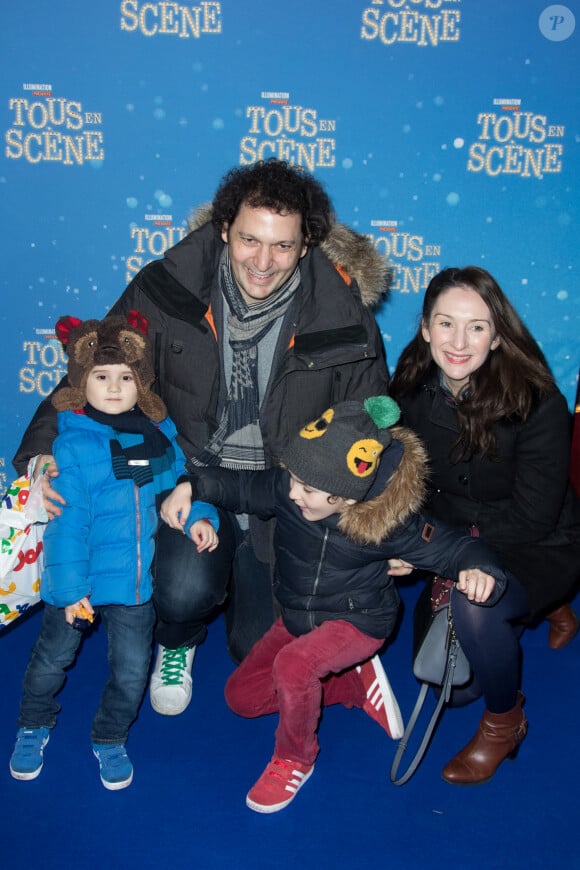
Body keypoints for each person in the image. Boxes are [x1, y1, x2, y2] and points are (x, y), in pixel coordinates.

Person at [12, 158, 392, 718]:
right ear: (222, 229)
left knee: (252, 649)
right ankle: (179, 641)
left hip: (279, 492)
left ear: (307, 243)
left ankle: (334, 643)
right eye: (248, 240)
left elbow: (372, 427)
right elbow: (97, 371)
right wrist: (41, 453)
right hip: (188, 480)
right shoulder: (168, 288)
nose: (263, 262)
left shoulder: (343, 316)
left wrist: (383, 523)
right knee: (181, 592)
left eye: (282, 247)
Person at [161, 395, 524, 811]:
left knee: (293, 667)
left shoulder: (391, 527)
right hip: (299, 616)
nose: (293, 492)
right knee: (241, 698)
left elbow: (456, 548)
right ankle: (352, 683)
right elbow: (242, 487)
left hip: (359, 619)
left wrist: (480, 571)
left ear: (348, 497)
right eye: (293, 478)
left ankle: (295, 759)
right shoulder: (290, 487)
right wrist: (194, 485)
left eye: (308, 488)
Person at [9, 313, 219, 791]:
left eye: (126, 377)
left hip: (134, 585)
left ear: (140, 385)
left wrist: (198, 515)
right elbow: (67, 527)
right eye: (101, 377)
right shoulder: (70, 445)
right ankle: (34, 723)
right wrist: (68, 593)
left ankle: (110, 736)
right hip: (77, 586)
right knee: (49, 662)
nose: (113, 386)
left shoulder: (151, 438)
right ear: (81, 382)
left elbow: (172, 489)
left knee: (130, 672)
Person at [390, 266, 580, 784]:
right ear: (425, 328)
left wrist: (446, 558)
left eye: (476, 327)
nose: (458, 341)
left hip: (537, 542)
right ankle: (542, 608)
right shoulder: (408, 389)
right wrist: (410, 542)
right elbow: (407, 484)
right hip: (455, 541)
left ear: (497, 335)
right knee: (453, 685)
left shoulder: (538, 402)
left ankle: (504, 722)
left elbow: (535, 516)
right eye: (445, 324)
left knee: (475, 611)